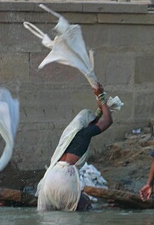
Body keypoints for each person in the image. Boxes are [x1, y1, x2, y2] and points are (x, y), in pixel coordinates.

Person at [37, 82, 113, 211]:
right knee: (84, 208)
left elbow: (91, 122)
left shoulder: (70, 136)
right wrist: (101, 96)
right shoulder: (84, 134)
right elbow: (108, 121)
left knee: (50, 220)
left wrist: (99, 109)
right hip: (65, 177)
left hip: (49, 178)